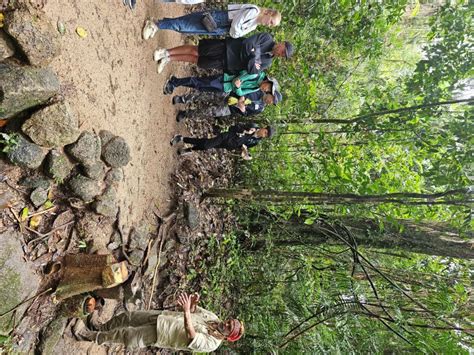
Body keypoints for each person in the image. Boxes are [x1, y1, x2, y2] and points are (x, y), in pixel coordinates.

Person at [73, 292, 244, 352]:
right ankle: (99, 327)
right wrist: (192, 304)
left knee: (126, 335)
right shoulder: (214, 318)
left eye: (229, 327)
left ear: (229, 336)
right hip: (164, 317)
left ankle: (89, 336)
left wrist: (185, 311)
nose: (227, 324)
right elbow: (193, 312)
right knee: (128, 317)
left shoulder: (212, 343)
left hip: (163, 333)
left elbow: (192, 336)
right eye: (230, 321)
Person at [153, 32, 294, 74]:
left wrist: (253, 53)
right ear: (282, 44)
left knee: (196, 61)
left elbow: (251, 70)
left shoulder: (268, 62)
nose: (281, 53)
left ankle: (169, 58)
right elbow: (247, 44)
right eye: (283, 50)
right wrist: (253, 58)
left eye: (283, 55)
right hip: (227, 47)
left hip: (227, 63)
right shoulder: (267, 38)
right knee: (195, 50)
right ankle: (165, 52)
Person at [170, 75, 282, 121]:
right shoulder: (258, 90)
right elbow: (242, 88)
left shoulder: (260, 108)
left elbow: (246, 114)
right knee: (204, 95)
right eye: (272, 98)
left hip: (229, 109)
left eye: (272, 102)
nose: (270, 101)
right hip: (228, 94)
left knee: (208, 112)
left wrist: (242, 109)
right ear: (271, 94)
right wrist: (239, 99)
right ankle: (183, 99)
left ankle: (186, 114)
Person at [142, 4, 281, 39]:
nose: (269, 25)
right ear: (268, 13)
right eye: (271, 22)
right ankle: (155, 25)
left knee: (185, 27)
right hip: (218, 19)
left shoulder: (254, 25)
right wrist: (236, 31)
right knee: (185, 24)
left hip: (219, 28)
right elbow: (235, 27)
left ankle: (160, 23)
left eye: (271, 26)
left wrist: (236, 31)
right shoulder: (254, 11)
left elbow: (237, 33)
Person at [170, 123, 275, 159]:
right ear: (264, 128)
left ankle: (188, 145)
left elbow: (243, 148)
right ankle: (182, 140)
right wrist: (244, 130)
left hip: (228, 145)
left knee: (205, 143)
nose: (264, 134)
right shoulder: (252, 126)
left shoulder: (255, 141)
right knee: (207, 145)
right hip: (226, 137)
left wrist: (244, 150)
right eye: (265, 132)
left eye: (266, 135)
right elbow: (234, 127)